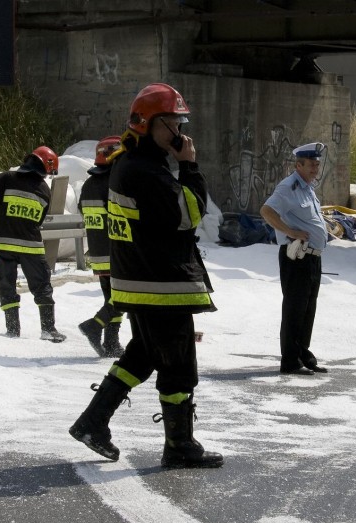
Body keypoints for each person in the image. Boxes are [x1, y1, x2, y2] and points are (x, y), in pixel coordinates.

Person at [69, 83, 222, 469]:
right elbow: (188, 216)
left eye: (179, 123)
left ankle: (93, 421)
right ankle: (180, 446)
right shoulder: (146, 171)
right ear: (149, 124)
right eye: (171, 123)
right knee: (179, 367)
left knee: (143, 354)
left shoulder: (131, 164)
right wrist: (189, 167)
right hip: (160, 285)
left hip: (143, 282)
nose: (179, 133)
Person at [0, 146, 66, 342]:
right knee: (42, 286)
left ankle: (12, 330)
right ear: (45, 169)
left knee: (6, 286)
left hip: (1, 244)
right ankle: (49, 329)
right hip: (30, 246)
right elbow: (39, 220)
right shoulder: (44, 190)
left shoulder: (7, 178)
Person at [260, 142, 329, 376]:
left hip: (312, 258)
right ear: (298, 165)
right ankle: (290, 360)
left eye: (317, 164)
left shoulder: (308, 187)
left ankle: (302, 355)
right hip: (297, 258)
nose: (315, 169)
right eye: (311, 164)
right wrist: (291, 232)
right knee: (295, 309)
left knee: (308, 309)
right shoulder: (288, 186)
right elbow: (267, 211)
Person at [77, 135, 126, 357]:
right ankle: (95, 325)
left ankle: (112, 343)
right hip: (118, 251)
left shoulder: (89, 185)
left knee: (112, 298)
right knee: (124, 297)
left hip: (98, 253)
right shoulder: (114, 183)